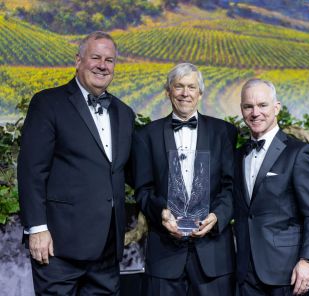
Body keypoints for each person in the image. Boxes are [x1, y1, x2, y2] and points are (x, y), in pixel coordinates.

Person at [17, 31, 135, 295]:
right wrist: (37, 229)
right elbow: (31, 171)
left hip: (106, 250)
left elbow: (130, 173)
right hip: (58, 247)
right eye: (95, 57)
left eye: (110, 60)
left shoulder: (125, 114)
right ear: (78, 60)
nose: (103, 65)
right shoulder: (48, 103)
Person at [132, 63, 237, 295]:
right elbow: (143, 190)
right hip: (164, 256)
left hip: (214, 256)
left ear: (200, 93)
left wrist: (217, 216)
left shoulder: (224, 132)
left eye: (191, 87)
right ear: (168, 91)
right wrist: (161, 213)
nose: (184, 93)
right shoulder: (146, 136)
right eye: (178, 86)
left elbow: (231, 187)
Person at [234, 78, 309, 296]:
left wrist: (308, 260)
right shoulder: (238, 155)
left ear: (277, 108)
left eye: (262, 105)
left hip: (286, 273)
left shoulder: (299, 153)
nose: (255, 112)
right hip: (245, 275)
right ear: (242, 110)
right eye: (248, 106)